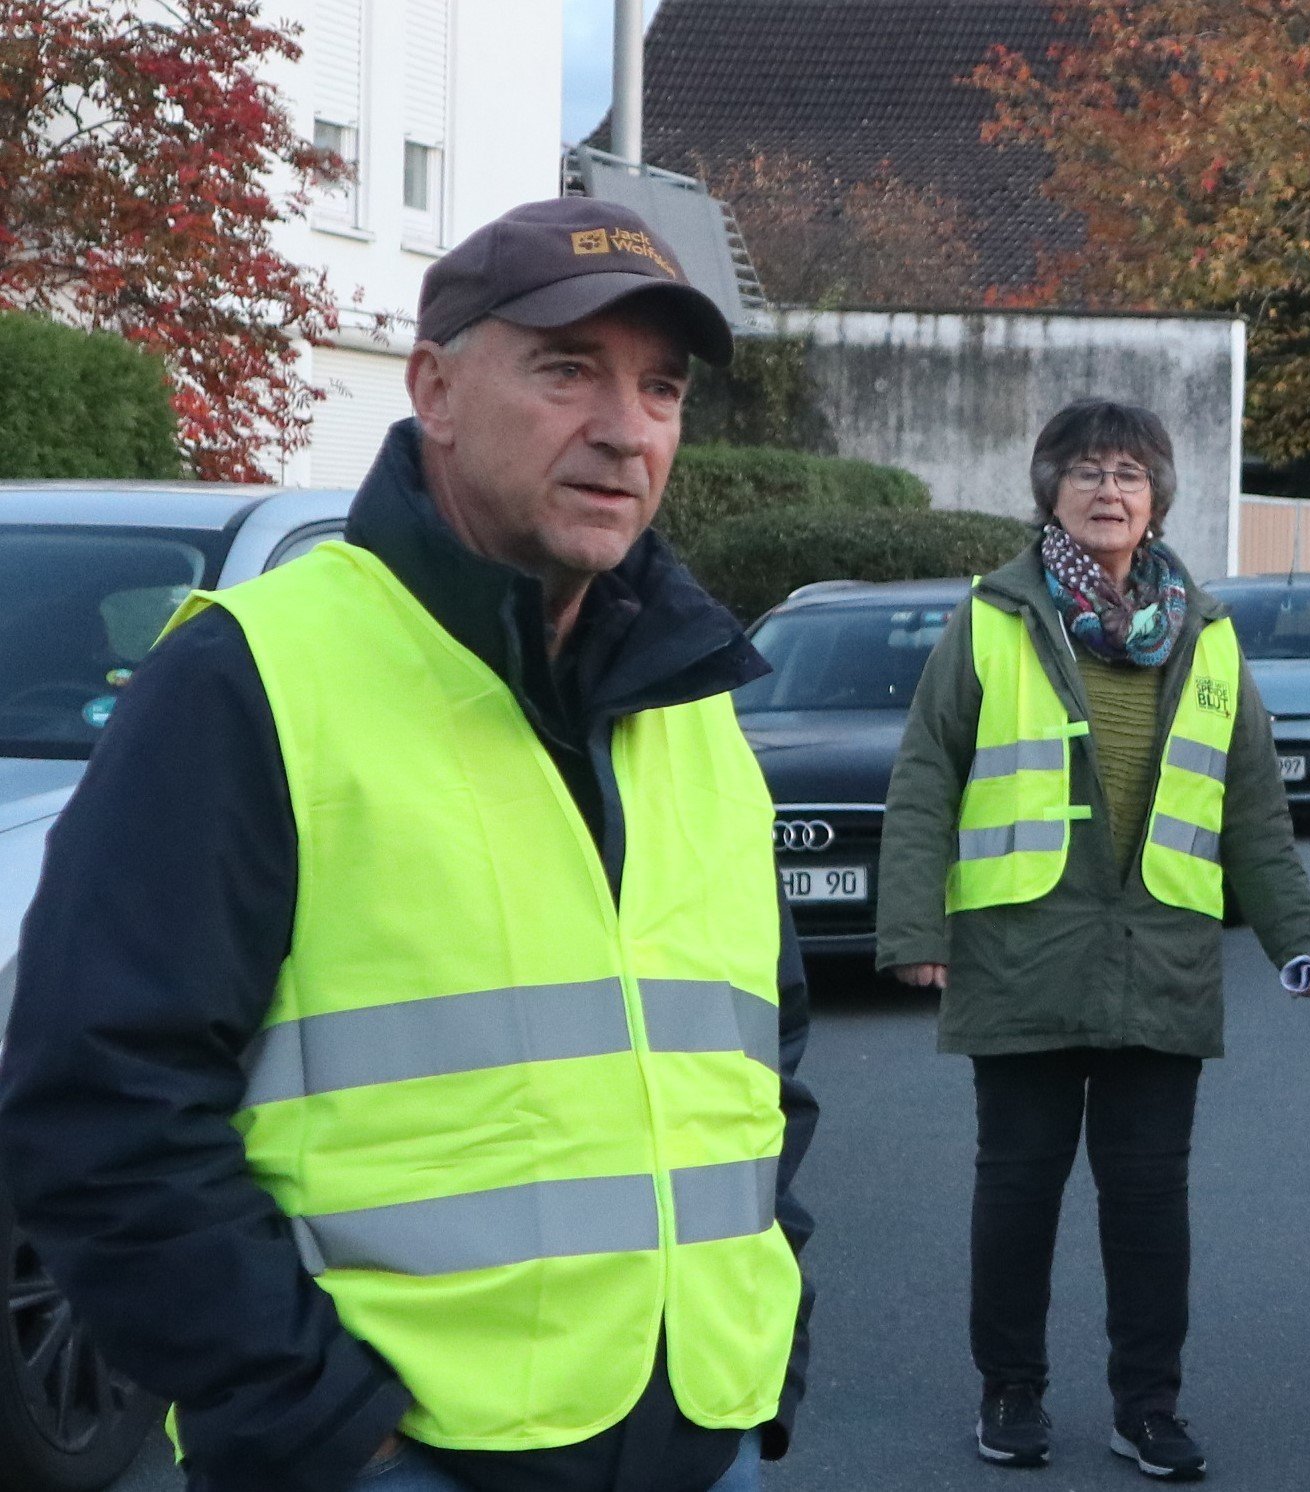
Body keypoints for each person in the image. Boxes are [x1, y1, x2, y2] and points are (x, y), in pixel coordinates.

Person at [0, 198, 814, 1492]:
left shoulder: (694, 701)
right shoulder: (251, 676)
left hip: (702, 1440)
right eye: (567, 370)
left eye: (659, 388)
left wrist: (768, 1324)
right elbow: (98, 1101)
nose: (624, 429)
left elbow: (758, 1063)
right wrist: (321, 1422)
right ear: (432, 386)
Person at [876, 399, 1310, 1480]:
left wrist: (1294, 939)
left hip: (1159, 962)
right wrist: (913, 926)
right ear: (1051, 493)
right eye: (1084, 472)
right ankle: (1012, 1391)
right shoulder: (991, 617)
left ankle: (1148, 1405)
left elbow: (1251, 806)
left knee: (1146, 1206)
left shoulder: (1208, 637)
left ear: (1157, 500)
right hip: (1019, 953)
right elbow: (925, 776)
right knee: (1018, 1192)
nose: (1107, 491)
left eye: (1128, 473)